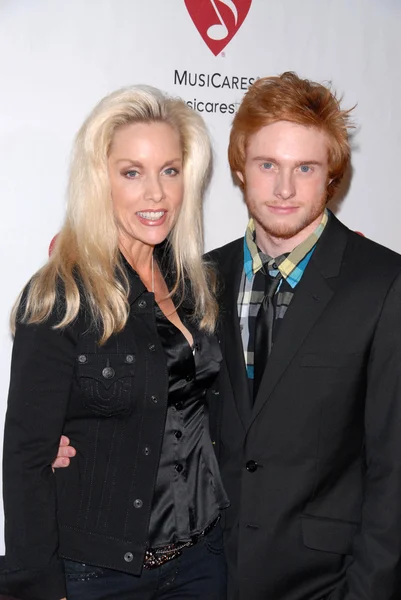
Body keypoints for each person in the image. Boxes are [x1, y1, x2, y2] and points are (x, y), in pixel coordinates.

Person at [54, 72, 401, 599]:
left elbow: (393, 469)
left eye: (305, 168)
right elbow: (164, 403)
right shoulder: (197, 279)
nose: (284, 189)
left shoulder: (382, 284)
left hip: (325, 583)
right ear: (239, 168)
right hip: (208, 571)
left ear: (331, 174)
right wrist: (71, 439)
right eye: (268, 165)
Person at [0, 85, 229, 600]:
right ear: (98, 180)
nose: (156, 194)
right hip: (99, 575)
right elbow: (26, 458)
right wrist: (38, 585)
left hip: (202, 559)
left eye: (170, 171)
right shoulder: (63, 295)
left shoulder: (197, 284)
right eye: (132, 172)